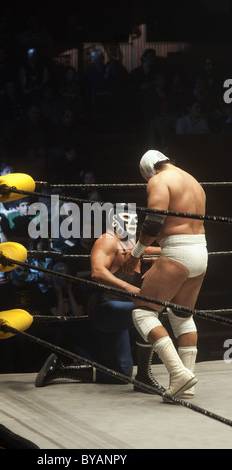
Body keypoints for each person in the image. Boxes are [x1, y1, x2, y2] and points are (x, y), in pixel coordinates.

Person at [35, 204, 164, 391]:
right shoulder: (107, 240)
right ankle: (144, 376)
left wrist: (170, 252)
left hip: (122, 311)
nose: (133, 223)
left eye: (136, 219)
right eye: (127, 219)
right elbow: (97, 272)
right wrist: (132, 290)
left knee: (120, 374)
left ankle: (61, 369)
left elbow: (163, 251)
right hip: (105, 308)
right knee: (149, 308)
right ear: (114, 221)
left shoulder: (134, 245)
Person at [122, 150, 208, 399]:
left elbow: (153, 223)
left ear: (149, 171)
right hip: (200, 250)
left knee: (143, 313)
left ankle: (178, 374)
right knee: (182, 315)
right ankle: (186, 386)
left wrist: (136, 252)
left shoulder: (159, 180)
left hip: (177, 251)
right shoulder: (193, 181)